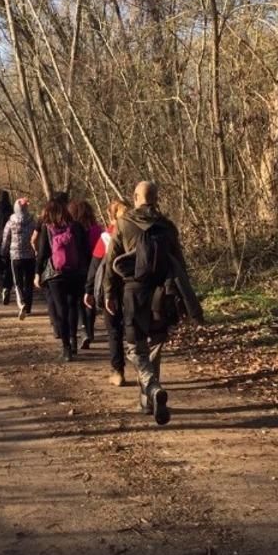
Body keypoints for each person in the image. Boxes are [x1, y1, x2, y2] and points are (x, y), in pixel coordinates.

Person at [102, 181, 203, 424]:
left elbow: (110, 261)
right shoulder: (167, 226)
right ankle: (147, 401)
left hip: (134, 294)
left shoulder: (124, 224)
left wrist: (109, 293)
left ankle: (151, 386)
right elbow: (179, 264)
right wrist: (185, 299)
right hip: (162, 293)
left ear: (136, 197)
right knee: (156, 344)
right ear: (156, 199)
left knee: (136, 348)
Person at [34, 195, 90, 361]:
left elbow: (42, 253)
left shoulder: (47, 228)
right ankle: (73, 340)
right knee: (73, 306)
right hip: (76, 273)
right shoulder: (76, 226)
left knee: (61, 310)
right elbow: (85, 250)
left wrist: (37, 273)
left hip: (56, 275)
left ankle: (66, 348)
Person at [87, 199, 129, 386]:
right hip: (133, 287)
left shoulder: (106, 237)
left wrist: (88, 290)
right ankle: (144, 370)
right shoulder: (136, 234)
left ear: (110, 215)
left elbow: (95, 266)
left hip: (109, 289)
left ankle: (118, 371)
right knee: (135, 329)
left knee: (114, 331)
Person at [69, 199, 102, 350]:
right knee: (91, 298)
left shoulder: (72, 229)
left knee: (79, 299)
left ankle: (84, 329)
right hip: (94, 267)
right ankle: (90, 329)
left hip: (78, 267)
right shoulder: (96, 229)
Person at [1, 197, 36, 317]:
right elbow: (37, 237)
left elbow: (6, 238)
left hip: (15, 256)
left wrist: (3, 251)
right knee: (29, 282)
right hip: (30, 256)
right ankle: (28, 307)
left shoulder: (10, 222)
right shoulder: (32, 221)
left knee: (18, 282)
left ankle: (21, 303)